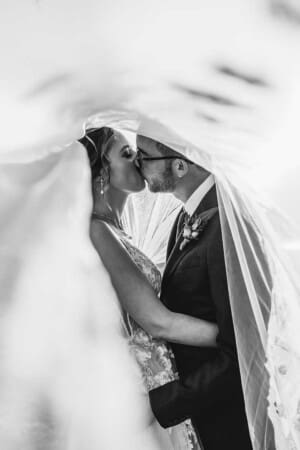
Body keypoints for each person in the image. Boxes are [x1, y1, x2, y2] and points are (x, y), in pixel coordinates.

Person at [79, 126, 219, 450]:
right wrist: (235, 334)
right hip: (149, 392)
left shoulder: (119, 231)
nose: (139, 162)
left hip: (168, 381)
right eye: (128, 155)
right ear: (102, 174)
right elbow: (158, 321)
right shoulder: (98, 231)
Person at [135, 134, 253, 450]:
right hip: (204, 415)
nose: (137, 164)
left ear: (179, 165)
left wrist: (166, 402)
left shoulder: (227, 226)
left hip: (230, 421)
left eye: (143, 155)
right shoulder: (185, 217)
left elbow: (240, 349)